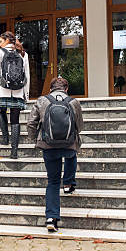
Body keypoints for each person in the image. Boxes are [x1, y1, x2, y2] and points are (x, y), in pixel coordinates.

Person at [26, 77, 83, 233]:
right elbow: (80, 125)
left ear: (50, 89)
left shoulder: (41, 101)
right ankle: (69, 183)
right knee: (72, 154)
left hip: (48, 145)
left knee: (52, 181)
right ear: (66, 89)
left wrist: (35, 139)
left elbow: (31, 123)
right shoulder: (74, 102)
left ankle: (51, 218)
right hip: (69, 144)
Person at [0, 31, 30, 159]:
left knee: (1, 111)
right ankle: (14, 151)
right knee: (15, 120)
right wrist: (26, 95)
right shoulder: (23, 54)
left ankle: (5, 138)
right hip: (18, 91)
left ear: (7, 40)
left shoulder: (0, 53)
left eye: (1, 41)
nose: (0, 44)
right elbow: (27, 75)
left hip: (3, 89)